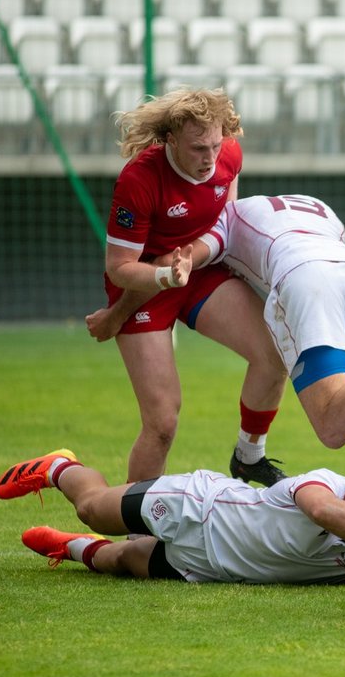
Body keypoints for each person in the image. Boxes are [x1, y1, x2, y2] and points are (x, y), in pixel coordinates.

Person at [85, 87, 288, 487]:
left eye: (215, 144)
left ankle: (249, 457)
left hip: (200, 271)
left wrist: (211, 262)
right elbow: (119, 267)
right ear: (170, 140)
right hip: (145, 283)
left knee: (274, 354)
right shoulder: (138, 180)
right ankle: (137, 535)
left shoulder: (229, 154)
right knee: (162, 424)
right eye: (198, 148)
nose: (210, 158)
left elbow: (226, 219)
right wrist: (162, 278)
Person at [166, 192, 345, 449]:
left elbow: (198, 253)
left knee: (332, 426)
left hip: (305, 278)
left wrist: (179, 267)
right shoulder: (316, 205)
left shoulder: (228, 214)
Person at [0, 448, 345, 586]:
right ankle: (58, 467)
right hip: (196, 507)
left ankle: (65, 547)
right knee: (93, 510)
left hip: (208, 566)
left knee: (120, 561)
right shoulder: (326, 486)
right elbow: (322, 512)